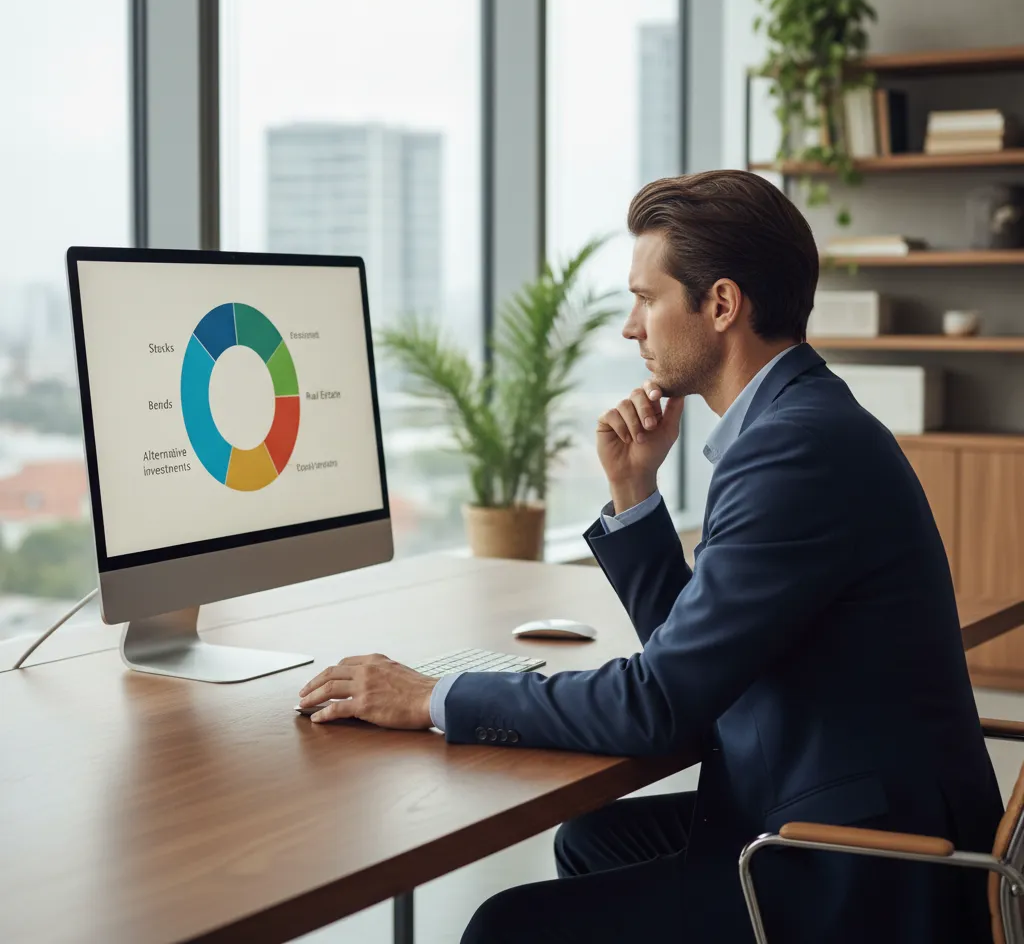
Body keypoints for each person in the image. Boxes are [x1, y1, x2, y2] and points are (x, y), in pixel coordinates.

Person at [298, 170, 1002, 943]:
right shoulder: (799, 421)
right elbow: (699, 666)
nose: (631, 328)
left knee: (505, 927)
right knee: (590, 840)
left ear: (722, 305)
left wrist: (433, 697)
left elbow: (658, 703)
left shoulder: (793, 450)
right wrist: (633, 489)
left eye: (645, 298)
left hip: (863, 866)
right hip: (828, 801)